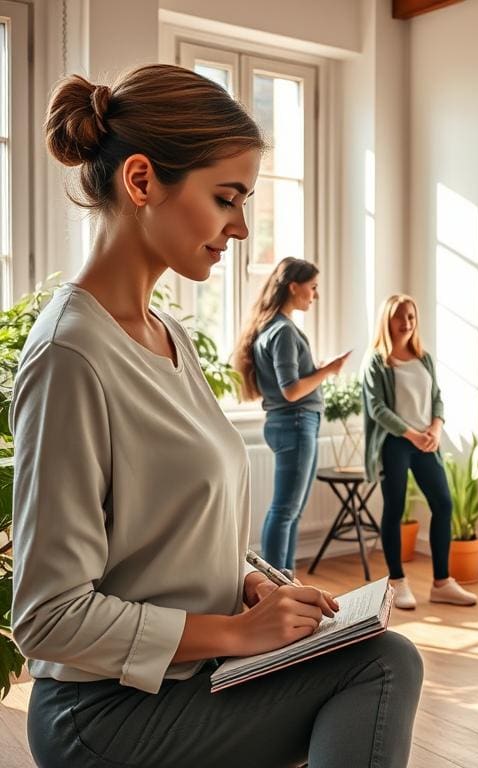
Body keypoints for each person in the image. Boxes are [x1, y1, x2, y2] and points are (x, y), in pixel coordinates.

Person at [12, 65, 422, 768]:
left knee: (380, 656)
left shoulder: (168, 331)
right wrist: (236, 634)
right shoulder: (70, 355)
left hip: (183, 681)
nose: (238, 227)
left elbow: (172, 534)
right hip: (102, 713)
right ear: (141, 181)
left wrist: (254, 582)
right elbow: (48, 617)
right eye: (225, 198)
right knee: (383, 665)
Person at [233, 257, 350, 575]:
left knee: (290, 509)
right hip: (295, 421)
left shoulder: (274, 328)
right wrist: (328, 370)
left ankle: (285, 578)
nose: (316, 294)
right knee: (286, 510)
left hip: (293, 423)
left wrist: (316, 370)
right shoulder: (282, 331)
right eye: (312, 287)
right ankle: (277, 581)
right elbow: (292, 391)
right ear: (294, 286)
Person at [361, 294, 477, 610]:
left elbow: (437, 397)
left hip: (426, 441)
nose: (407, 323)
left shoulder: (423, 358)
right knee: (394, 508)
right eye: (400, 316)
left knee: (443, 504)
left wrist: (435, 429)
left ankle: (442, 582)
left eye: (411, 316)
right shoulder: (376, 361)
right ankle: (397, 582)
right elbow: (377, 408)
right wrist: (411, 434)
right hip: (395, 442)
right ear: (388, 320)